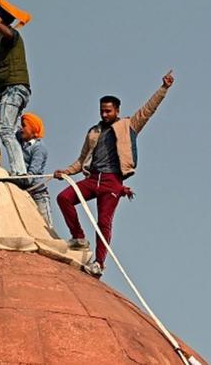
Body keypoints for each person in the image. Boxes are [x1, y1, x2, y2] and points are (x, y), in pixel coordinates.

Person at [53, 71, 175, 277]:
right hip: (93, 178)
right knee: (63, 198)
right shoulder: (94, 131)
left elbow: (148, 111)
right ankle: (79, 237)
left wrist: (163, 88)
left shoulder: (128, 126)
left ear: (117, 110)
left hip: (112, 181)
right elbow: (81, 160)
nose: (104, 114)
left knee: (103, 221)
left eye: (108, 111)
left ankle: (99, 263)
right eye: (102, 111)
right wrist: (65, 171)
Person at [0, 0, 31, 178]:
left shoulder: (11, 36)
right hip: (8, 91)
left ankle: (20, 172)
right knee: (14, 133)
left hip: (14, 89)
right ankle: (23, 167)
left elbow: (9, 33)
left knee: (5, 130)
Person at [18, 112, 52, 227]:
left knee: (46, 228)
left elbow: (34, 171)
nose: (21, 129)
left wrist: (21, 179)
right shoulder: (22, 142)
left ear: (32, 128)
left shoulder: (38, 148)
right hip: (24, 192)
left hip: (38, 194)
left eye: (24, 126)